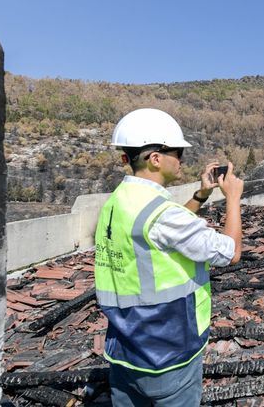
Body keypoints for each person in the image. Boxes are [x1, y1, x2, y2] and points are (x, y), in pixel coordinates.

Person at [94, 108, 244, 406]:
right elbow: (232, 252)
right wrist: (233, 198)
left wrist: (201, 194)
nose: (182, 160)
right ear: (156, 158)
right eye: (178, 152)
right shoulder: (162, 214)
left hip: (124, 349)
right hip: (167, 353)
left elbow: (162, 232)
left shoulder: (118, 202)